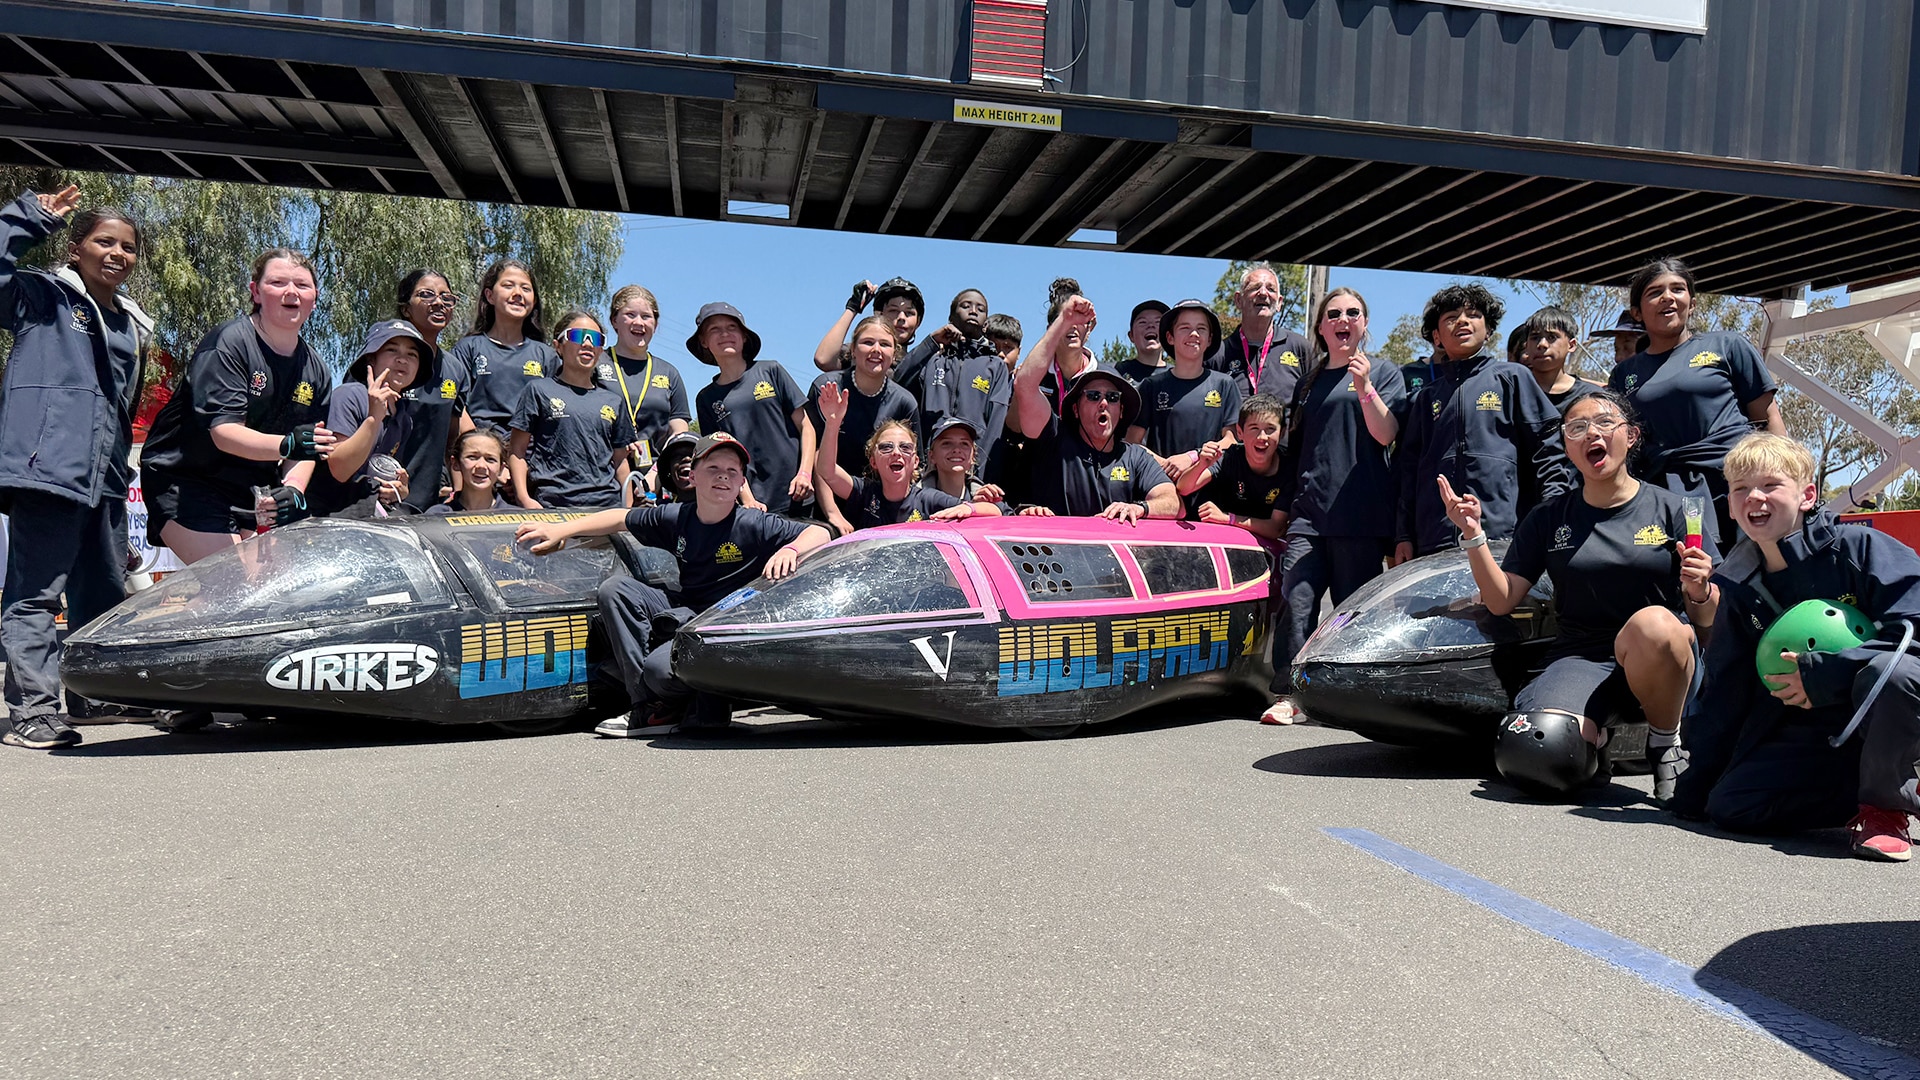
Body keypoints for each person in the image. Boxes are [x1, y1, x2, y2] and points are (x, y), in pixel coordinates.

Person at [1444, 391, 1715, 801]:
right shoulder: (1548, 519)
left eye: (1605, 423)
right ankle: (1598, 744)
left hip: (1660, 658)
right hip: (1580, 658)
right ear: (1568, 445)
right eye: (1577, 427)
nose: (1592, 433)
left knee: (1655, 624)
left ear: (1631, 435)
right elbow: (1501, 601)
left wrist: (1699, 592)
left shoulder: (1675, 509)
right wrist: (1473, 536)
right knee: (1536, 752)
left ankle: (1664, 744)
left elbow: (1711, 617)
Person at [1670, 433, 1920, 861]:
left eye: (1770, 485)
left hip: (1887, 714)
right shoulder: (1739, 584)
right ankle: (1867, 792)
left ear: (1807, 495)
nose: (1755, 498)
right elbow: (1726, 689)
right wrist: (1696, 784)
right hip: (1816, 734)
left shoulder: (1860, 549)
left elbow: (1914, 630)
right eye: (1741, 489)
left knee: (1891, 673)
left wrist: (1826, 673)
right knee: (1730, 806)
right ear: (1729, 505)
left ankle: (1886, 808)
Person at [515, 433, 832, 737]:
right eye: (713, 468)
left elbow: (822, 532)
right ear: (692, 476)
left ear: (741, 483)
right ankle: (649, 706)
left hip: (727, 625)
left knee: (659, 667)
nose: (723, 476)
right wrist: (561, 530)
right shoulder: (677, 516)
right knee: (615, 590)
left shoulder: (754, 523)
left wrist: (790, 549)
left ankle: (655, 704)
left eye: (732, 471)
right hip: (688, 608)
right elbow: (619, 518)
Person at [0, 185, 155, 749]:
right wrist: (27, 216)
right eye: (103, 242)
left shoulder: (130, 324)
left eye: (128, 247)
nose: (117, 253)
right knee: (36, 593)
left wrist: (120, 475)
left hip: (105, 478)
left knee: (101, 594)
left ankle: (92, 695)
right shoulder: (42, 299)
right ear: (75, 248)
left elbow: (117, 408)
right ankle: (33, 712)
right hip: (48, 468)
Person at [141, 247, 336, 565]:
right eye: (278, 282)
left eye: (302, 285)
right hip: (186, 480)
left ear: (315, 297)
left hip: (251, 489)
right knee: (235, 583)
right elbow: (225, 433)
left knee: (266, 593)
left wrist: (294, 488)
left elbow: (306, 448)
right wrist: (287, 445)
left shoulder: (316, 369)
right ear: (255, 292)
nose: (291, 292)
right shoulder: (230, 343)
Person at [1270, 288, 1407, 721]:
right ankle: (1290, 696)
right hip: (1308, 516)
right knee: (1296, 603)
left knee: (1351, 615)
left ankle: (1350, 697)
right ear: (1322, 327)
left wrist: (1364, 386)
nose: (1342, 319)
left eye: (1352, 313)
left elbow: (1387, 435)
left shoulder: (1384, 372)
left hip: (1359, 518)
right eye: (1333, 314)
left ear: (1364, 324)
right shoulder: (1308, 380)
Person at [1608, 256, 1786, 549]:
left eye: (1678, 290)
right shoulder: (1624, 374)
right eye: (1655, 292)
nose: (1668, 297)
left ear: (1691, 304)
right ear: (1637, 312)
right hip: (1665, 494)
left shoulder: (1728, 346)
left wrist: (1787, 481)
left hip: (1736, 485)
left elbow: (1768, 418)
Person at [1393, 283, 1571, 561]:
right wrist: (1404, 535)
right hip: (1434, 543)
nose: (1462, 321)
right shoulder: (1425, 399)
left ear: (1488, 330)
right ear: (1437, 337)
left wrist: (1552, 516)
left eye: (1473, 315)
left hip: (1504, 539)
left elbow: (1548, 453)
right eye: (1451, 318)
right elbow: (1408, 472)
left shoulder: (1514, 378)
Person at [1011, 294, 1178, 520]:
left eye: (1112, 397)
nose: (1103, 403)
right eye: (1092, 395)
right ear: (1075, 409)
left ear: (1121, 411)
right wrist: (1064, 321)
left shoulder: (1136, 457)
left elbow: (1172, 502)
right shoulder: (1053, 440)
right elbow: (1025, 385)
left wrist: (1140, 508)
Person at [1179, 393, 1293, 723]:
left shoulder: (1288, 465)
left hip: (1268, 557)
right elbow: (1185, 488)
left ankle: (1273, 687)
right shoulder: (1229, 457)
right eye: (1254, 429)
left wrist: (1228, 519)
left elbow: (1275, 526)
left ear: (1281, 433)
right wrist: (1201, 461)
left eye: (1270, 429)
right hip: (1225, 558)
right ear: (1240, 433)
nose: (1262, 437)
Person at [689, 302, 815, 514]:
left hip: (798, 494)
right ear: (703, 341)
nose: (725, 334)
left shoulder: (771, 371)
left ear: (744, 336)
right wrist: (747, 499)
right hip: (753, 505)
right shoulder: (706, 398)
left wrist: (805, 473)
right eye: (714, 329)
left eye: (731, 327)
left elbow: (806, 426)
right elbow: (721, 455)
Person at [507, 310, 635, 509]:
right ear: (558, 346)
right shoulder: (538, 390)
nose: (587, 343)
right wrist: (524, 498)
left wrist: (626, 510)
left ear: (601, 349)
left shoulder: (614, 401)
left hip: (606, 508)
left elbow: (620, 462)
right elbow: (517, 451)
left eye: (595, 338)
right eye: (577, 335)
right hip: (553, 507)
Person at [816, 390, 998, 529]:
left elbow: (996, 512)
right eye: (886, 447)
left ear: (916, 461)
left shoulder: (928, 499)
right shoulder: (864, 492)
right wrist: (833, 423)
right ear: (873, 461)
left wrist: (970, 509)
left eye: (905, 448)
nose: (896, 453)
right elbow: (827, 471)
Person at [807, 313, 919, 534]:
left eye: (885, 344)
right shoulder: (828, 387)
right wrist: (832, 514)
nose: (876, 350)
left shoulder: (904, 402)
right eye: (868, 342)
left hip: (878, 509)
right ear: (853, 350)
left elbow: (912, 465)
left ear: (894, 353)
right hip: (825, 504)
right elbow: (816, 453)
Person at [1128, 298, 1242, 498]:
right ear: (1170, 337)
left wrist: (1192, 457)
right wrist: (1166, 464)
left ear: (1209, 338)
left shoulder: (1225, 385)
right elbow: (1132, 442)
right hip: (1163, 490)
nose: (1194, 334)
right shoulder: (1150, 386)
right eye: (1185, 327)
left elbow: (1231, 440)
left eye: (1201, 328)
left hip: (1212, 497)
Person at [309, 320, 424, 518]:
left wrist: (398, 489)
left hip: (368, 508)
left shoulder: (404, 418)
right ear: (371, 359)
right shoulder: (349, 396)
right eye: (392, 350)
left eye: (412, 354)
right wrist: (373, 418)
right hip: (328, 511)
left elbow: (381, 468)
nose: (402, 360)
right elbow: (340, 469)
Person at [890, 285, 1010, 468]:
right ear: (951, 318)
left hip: (971, 468)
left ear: (986, 323)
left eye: (980, 309)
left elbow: (996, 423)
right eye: (966, 306)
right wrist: (932, 342)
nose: (973, 311)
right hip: (929, 466)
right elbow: (897, 381)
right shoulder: (934, 360)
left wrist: (980, 472)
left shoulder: (995, 365)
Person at [391, 269, 473, 514]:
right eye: (426, 295)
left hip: (433, 505)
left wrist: (460, 492)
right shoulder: (383, 359)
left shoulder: (455, 369)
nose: (438, 303)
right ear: (406, 309)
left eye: (446, 298)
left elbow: (456, 435)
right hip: (385, 500)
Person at [451, 258, 558, 433]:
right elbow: (453, 403)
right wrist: (478, 444)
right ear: (490, 296)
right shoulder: (467, 349)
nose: (518, 293)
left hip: (528, 454)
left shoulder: (547, 356)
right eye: (508, 286)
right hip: (480, 451)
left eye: (526, 288)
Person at [600, 284, 690, 474]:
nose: (639, 322)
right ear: (614, 321)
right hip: (601, 475)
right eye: (630, 315)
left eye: (646, 316)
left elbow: (679, 434)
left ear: (655, 325)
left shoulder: (668, 373)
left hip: (653, 479)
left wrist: (656, 475)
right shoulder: (595, 364)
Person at [1205, 262, 1314, 405]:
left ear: (1280, 302)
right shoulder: (1217, 353)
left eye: (1271, 289)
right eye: (1255, 287)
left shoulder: (1300, 348)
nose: (1263, 293)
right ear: (1238, 300)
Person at [813, 276, 925, 371]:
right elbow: (823, 360)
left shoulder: (921, 367)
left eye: (909, 313)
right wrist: (853, 308)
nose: (901, 318)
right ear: (879, 315)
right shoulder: (858, 353)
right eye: (893, 311)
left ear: (918, 322)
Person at [1521, 306, 1604, 414]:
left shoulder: (1591, 396)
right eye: (1535, 338)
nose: (1542, 344)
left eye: (1551, 337)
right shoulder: (1512, 391)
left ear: (1571, 345)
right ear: (1526, 346)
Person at [426, 428, 511, 514]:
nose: (481, 466)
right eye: (472, 457)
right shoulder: (436, 516)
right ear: (455, 463)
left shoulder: (517, 519)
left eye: (490, 459)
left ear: (501, 468)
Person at [924, 416, 1005, 506]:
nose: (957, 449)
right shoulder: (915, 501)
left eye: (964, 443)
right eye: (947, 443)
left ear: (973, 456)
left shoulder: (987, 500)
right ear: (931, 456)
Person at [1113, 300, 1169, 385]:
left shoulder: (1180, 376)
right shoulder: (1115, 372)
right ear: (1131, 336)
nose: (1151, 325)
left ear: (1168, 336)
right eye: (1142, 322)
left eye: (1158, 322)